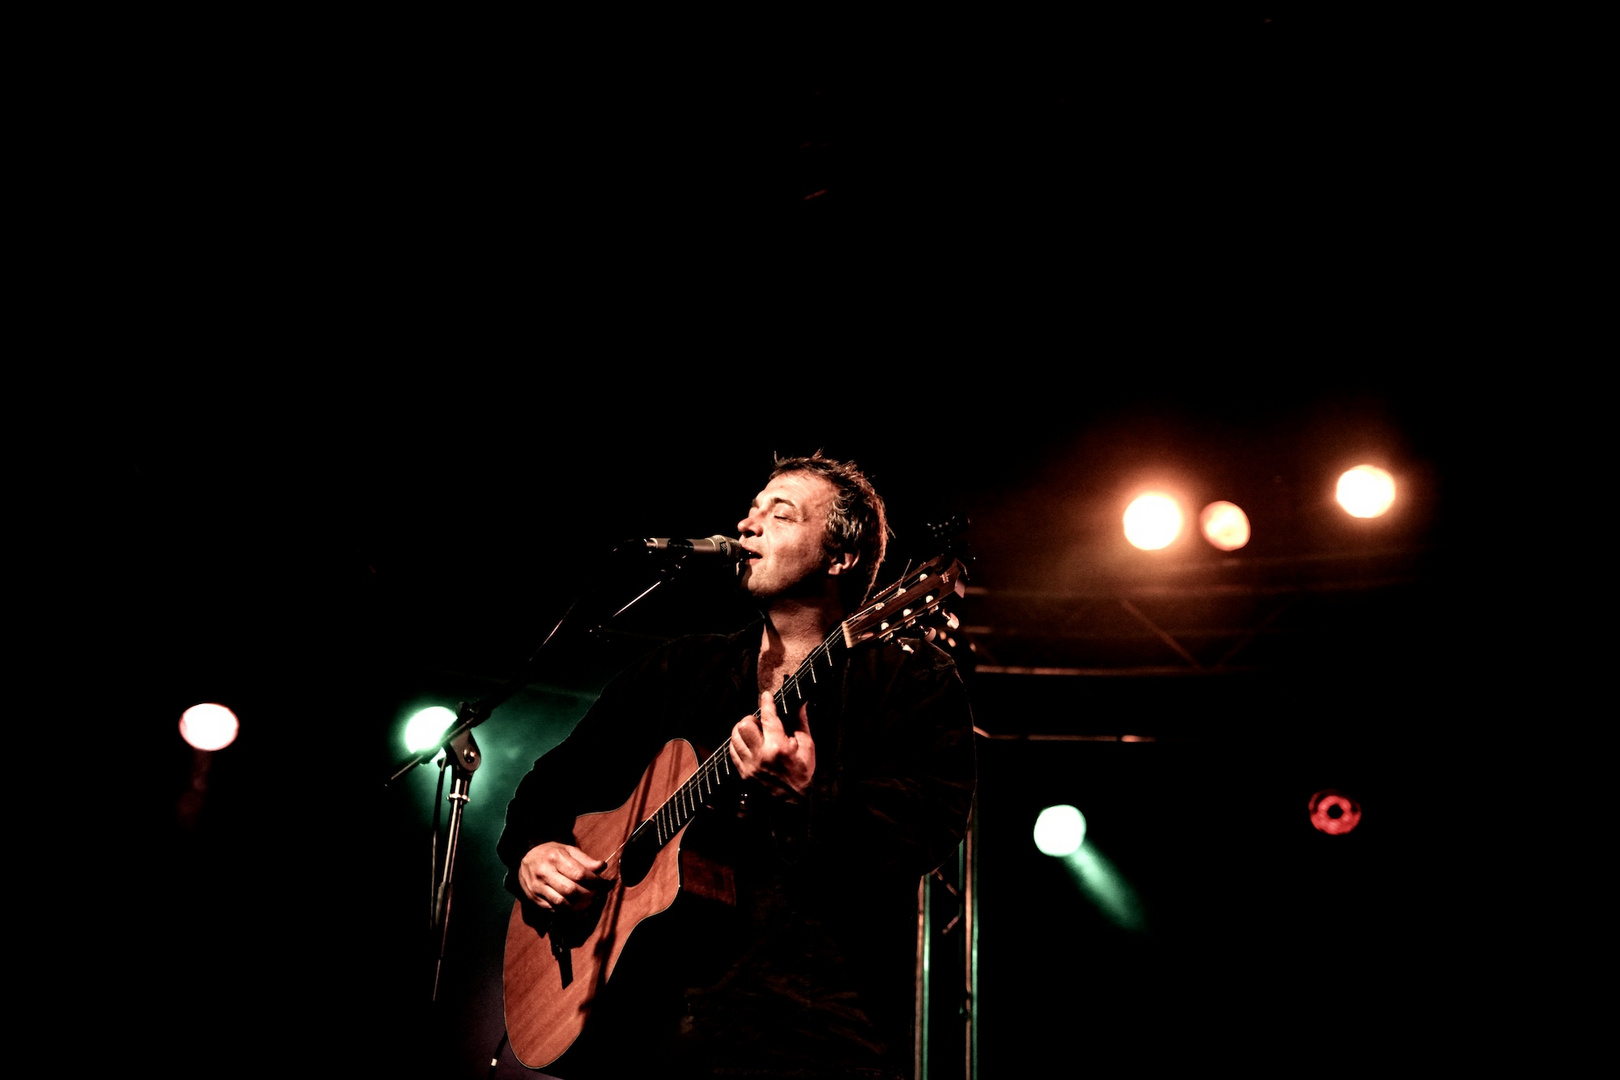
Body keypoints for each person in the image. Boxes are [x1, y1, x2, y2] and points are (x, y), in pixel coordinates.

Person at [496, 453, 977, 1080]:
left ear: (841, 558)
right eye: (750, 512)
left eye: (781, 515)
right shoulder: (679, 670)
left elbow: (927, 830)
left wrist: (808, 796)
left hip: (802, 1026)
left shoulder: (909, 678)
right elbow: (550, 784)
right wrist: (535, 850)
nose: (748, 527)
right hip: (634, 1021)